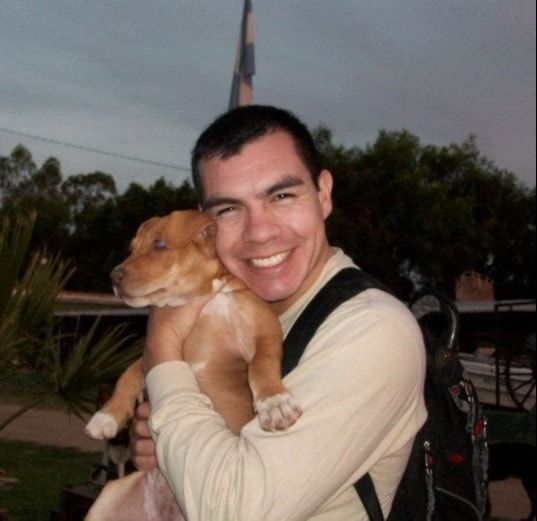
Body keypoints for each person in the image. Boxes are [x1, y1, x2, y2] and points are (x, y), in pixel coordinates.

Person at [132, 105, 427, 520]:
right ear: (204, 223)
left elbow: (232, 510)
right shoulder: (234, 316)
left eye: (282, 196)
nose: (260, 232)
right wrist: (174, 447)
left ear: (323, 194)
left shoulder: (374, 331)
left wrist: (162, 352)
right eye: (229, 209)